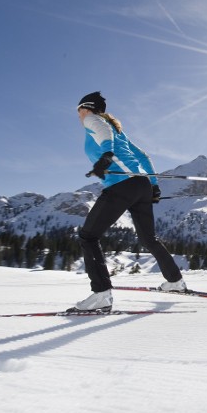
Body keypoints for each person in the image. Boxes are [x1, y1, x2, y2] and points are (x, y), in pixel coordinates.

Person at [72, 91, 186, 312]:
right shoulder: (119, 132)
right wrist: (153, 186)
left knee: (88, 236)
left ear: (87, 108)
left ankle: (101, 294)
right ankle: (175, 282)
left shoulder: (93, 120)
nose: (79, 116)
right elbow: (143, 156)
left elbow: (104, 133)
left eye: (79, 111)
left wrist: (106, 156)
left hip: (121, 184)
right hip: (141, 185)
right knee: (148, 238)